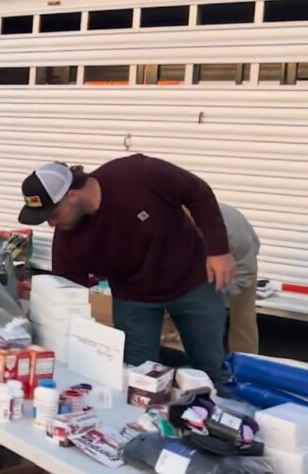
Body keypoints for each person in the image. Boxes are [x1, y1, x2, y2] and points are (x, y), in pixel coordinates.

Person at [17, 155, 237, 385]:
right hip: (134, 299)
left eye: (53, 215)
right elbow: (67, 297)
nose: (52, 224)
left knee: (211, 368)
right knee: (139, 376)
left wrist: (218, 250)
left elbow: (197, 193)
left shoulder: (138, 174)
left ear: (72, 195)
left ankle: (220, 415)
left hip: (192, 282)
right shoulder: (68, 242)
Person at [217, 202, 261, 354]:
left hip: (240, 266)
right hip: (198, 264)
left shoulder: (233, 231)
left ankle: (245, 364)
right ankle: (176, 367)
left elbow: (245, 273)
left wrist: (215, 298)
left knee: (243, 319)